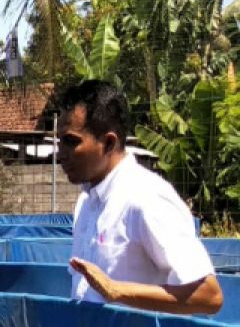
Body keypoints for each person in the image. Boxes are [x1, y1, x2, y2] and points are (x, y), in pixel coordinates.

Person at [54, 80, 222, 314]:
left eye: (71, 142)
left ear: (109, 142)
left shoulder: (146, 198)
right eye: (59, 141)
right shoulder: (86, 202)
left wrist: (118, 291)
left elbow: (209, 295)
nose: (60, 153)